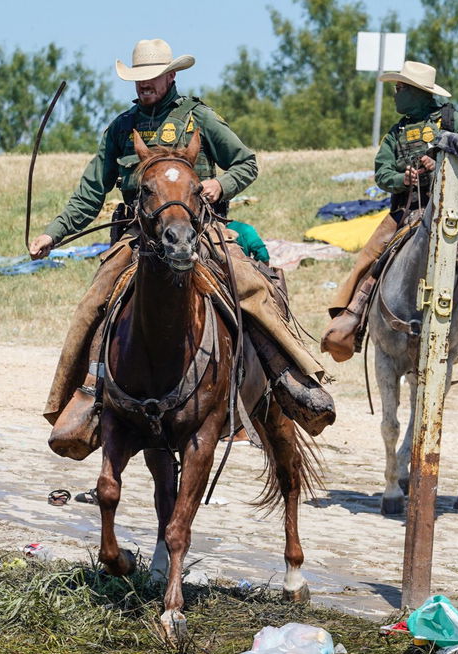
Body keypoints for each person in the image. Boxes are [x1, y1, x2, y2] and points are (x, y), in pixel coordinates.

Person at [28, 39, 333, 455]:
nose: (144, 86)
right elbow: (89, 194)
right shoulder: (122, 128)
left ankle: (290, 377)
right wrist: (53, 233)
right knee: (95, 300)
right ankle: (82, 397)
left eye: (151, 77)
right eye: (137, 79)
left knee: (251, 287)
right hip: (140, 239)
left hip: (200, 231)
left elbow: (246, 162)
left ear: (172, 75)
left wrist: (218, 184)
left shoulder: (199, 117)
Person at [319, 60, 458, 365]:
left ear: (417, 92)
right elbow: (382, 172)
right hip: (408, 209)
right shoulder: (395, 133)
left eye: (400, 89)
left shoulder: (452, 118)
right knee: (369, 256)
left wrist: (440, 154)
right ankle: (351, 318)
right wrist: (404, 179)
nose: (395, 95)